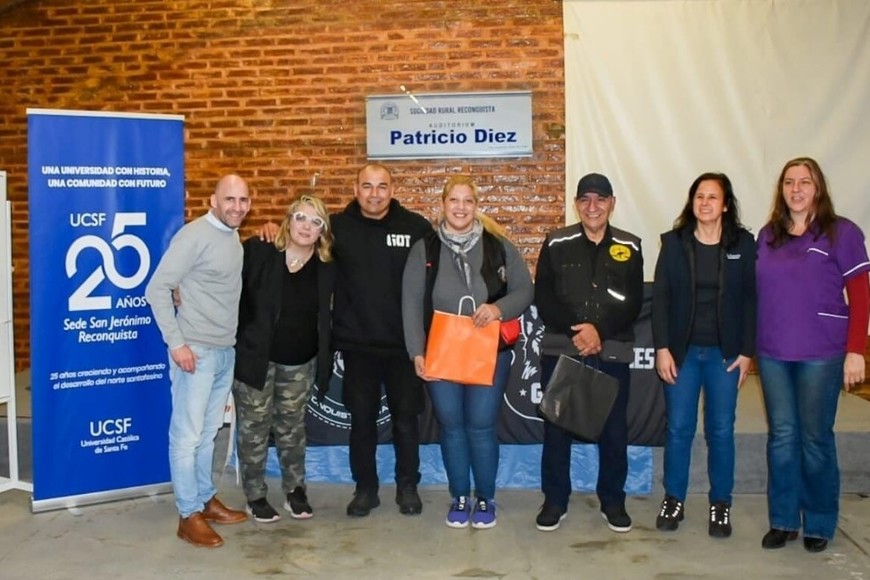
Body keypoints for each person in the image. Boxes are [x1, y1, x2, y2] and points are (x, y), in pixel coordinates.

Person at [259, 163, 432, 517]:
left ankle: (407, 486)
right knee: (362, 421)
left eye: (381, 186)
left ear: (392, 188)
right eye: (367, 186)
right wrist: (270, 229)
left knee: (405, 420)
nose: (374, 193)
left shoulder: (416, 228)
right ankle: (365, 489)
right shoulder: (336, 228)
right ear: (356, 189)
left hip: (404, 347)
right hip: (357, 347)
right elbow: (299, 241)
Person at [401, 176, 533, 529]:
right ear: (442, 205)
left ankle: (486, 498)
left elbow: (525, 290)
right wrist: (417, 351)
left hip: (488, 350)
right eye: (453, 200)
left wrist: (498, 309)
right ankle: (460, 496)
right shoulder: (424, 249)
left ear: (476, 206)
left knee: (480, 425)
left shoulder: (499, 246)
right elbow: (411, 304)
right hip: (441, 351)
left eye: (467, 201)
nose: (460, 207)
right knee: (451, 426)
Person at [756, 157, 870, 553]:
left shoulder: (842, 233)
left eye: (805, 182)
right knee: (782, 438)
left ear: (817, 188)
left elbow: (861, 296)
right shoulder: (767, 235)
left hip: (821, 353)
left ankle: (819, 521)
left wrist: (856, 350)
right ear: (781, 189)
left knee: (815, 439)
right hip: (772, 352)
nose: (797, 189)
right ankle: (783, 519)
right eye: (789, 182)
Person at [533, 172, 644, 534]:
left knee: (613, 430)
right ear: (576, 204)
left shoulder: (631, 246)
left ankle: (613, 500)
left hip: (610, 352)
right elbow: (545, 298)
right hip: (564, 350)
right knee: (557, 427)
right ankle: (555, 500)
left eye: (600, 199)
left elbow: (633, 301)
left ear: (612, 203)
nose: (592, 207)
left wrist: (600, 332)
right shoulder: (555, 242)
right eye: (585, 200)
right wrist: (577, 332)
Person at [145, 174, 251, 548]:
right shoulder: (193, 236)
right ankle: (188, 513)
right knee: (187, 437)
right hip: (196, 353)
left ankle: (205, 499)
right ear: (213, 201)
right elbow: (156, 288)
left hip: (224, 351)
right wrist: (177, 344)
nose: (237, 207)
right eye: (230, 199)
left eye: (243, 200)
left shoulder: (231, 237)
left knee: (208, 434)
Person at [651, 172, 757, 538]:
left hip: (725, 356)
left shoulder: (744, 244)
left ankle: (720, 503)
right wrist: (662, 348)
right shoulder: (675, 243)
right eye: (699, 196)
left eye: (713, 197)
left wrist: (747, 352)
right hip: (682, 354)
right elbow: (661, 299)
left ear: (725, 204)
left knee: (721, 430)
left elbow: (750, 301)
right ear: (691, 202)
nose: (705, 203)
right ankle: (674, 498)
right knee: (679, 429)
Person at [233, 195, 335, 523]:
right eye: (301, 218)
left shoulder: (328, 267)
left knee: (292, 428)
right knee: (254, 429)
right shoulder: (259, 251)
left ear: (323, 231)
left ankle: (295, 490)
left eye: (315, 221)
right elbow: (224, 285)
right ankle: (255, 494)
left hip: (300, 363)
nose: (307, 226)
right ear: (288, 220)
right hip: (256, 360)